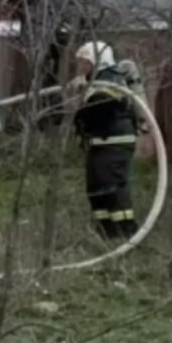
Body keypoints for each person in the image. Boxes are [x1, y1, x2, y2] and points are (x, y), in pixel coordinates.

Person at [71, 41, 141, 240]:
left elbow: (98, 110)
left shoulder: (110, 81)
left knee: (113, 186)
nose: (80, 67)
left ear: (97, 62)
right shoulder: (95, 82)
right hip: (100, 144)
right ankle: (107, 231)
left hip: (114, 142)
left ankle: (128, 230)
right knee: (96, 188)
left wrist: (81, 96)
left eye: (84, 62)